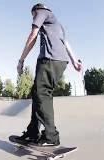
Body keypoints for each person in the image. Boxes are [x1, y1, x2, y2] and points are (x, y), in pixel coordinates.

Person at [16, 3, 82, 147]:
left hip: (49, 59)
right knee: (39, 94)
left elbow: (33, 35)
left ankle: (51, 136)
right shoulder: (58, 25)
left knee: (41, 94)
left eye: (32, 16)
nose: (34, 19)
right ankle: (33, 133)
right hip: (60, 62)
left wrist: (21, 60)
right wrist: (75, 62)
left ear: (35, 11)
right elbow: (66, 43)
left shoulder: (41, 12)